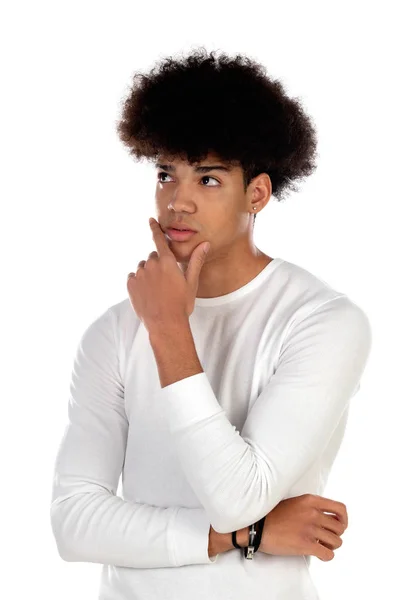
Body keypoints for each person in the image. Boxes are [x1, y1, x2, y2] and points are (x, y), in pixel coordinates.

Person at [50, 47, 372, 599]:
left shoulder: (322, 322)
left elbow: (237, 495)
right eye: (166, 174)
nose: (178, 201)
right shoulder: (113, 330)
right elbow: (73, 523)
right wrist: (250, 535)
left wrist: (170, 330)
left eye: (209, 179)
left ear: (258, 193)